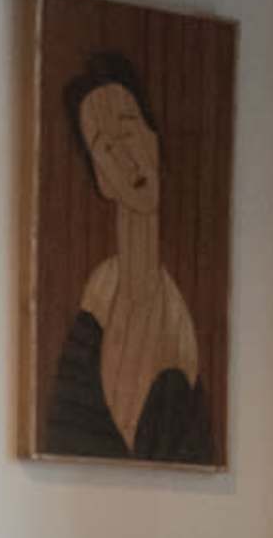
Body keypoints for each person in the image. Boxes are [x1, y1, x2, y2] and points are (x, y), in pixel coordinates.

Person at [43, 54, 215, 463]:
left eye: (129, 129)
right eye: (106, 146)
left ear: (153, 137)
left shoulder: (180, 320)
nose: (126, 157)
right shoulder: (96, 303)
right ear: (101, 178)